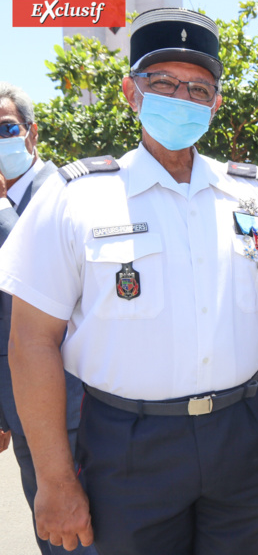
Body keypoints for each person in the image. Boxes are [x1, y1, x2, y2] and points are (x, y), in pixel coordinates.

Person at [0, 8, 258, 554]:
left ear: (216, 101)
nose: (180, 98)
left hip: (241, 435)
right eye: (162, 82)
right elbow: (30, 340)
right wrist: (52, 478)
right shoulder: (75, 198)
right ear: (130, 91)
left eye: (198, 88)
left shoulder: (257, 199)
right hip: (126, 445)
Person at [0, 83, 96, 555]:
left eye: (6, 128)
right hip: (20, 412)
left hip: (84, 410)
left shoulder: (71, 194)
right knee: (57, 540)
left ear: (31, 133)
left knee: (93, 537)